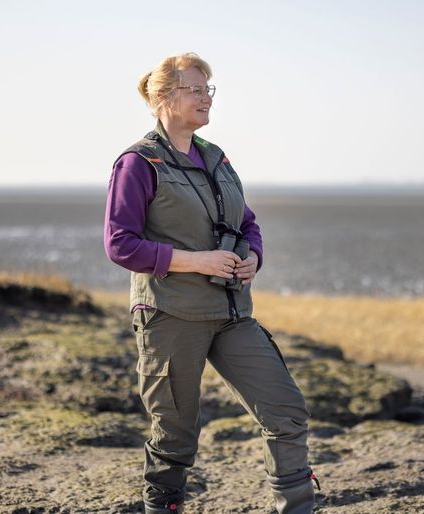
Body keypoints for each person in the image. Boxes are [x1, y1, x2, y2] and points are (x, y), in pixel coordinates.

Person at [104, 52, 318, 514]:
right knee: (175, 436)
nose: (206, 98)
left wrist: (252, 259)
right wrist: (195, 260)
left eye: (208, 90)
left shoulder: (216, 158)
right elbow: (120, 244)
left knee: (286, 412)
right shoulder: (139, 163)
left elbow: (248, 222)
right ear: (163, 97)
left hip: (233, 315)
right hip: (171, 315)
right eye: (195, 90)